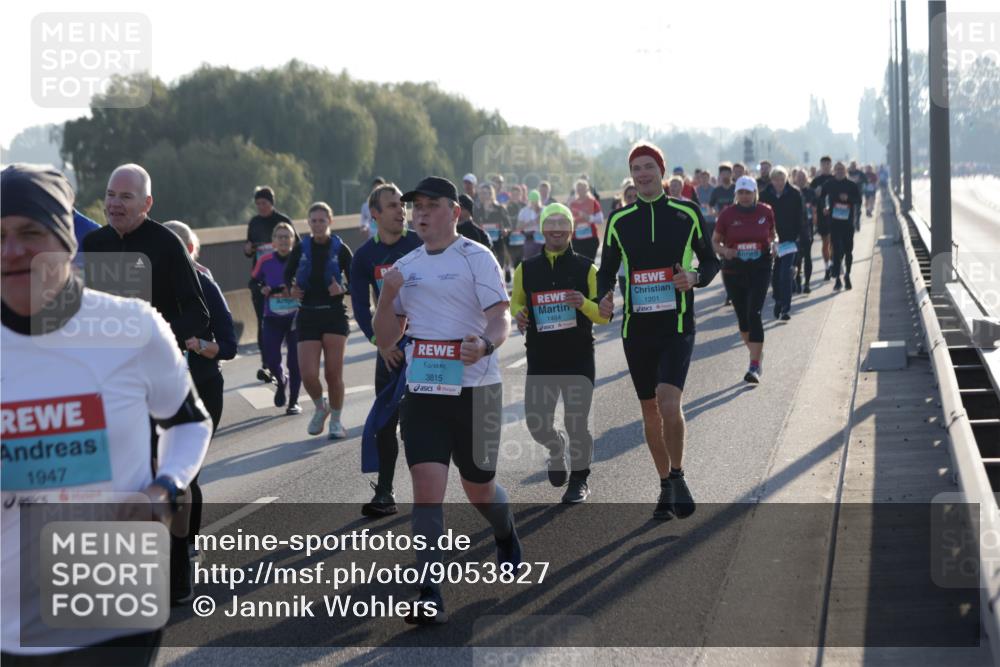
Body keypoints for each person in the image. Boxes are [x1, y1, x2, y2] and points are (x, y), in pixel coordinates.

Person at [1, 163, 211, 665]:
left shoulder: (132, 326)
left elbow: (187, 422)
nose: (12, 250)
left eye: (30, 233)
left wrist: (164, 489)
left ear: (66, 241)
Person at [374, 176, 520, 625]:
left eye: (431, 205)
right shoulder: (406, 265)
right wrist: (387, 294)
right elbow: (386, 339)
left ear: (454, 212)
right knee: (427, 492)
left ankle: (504, 529)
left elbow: (501, 319)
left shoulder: (477, 258)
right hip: (425, 392)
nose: (419, 213)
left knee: (478, 488)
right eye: (415, 206)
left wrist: (486, 345)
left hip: (476, 389)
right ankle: (429, 591)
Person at [596, 142, 720, 521]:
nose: (643, 174)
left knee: (669, 403)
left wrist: (695, 277)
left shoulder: (687, 212)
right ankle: (664, 482)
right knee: (649, 410)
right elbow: (606, 270)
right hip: (636, 328)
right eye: (637, 168)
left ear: (662, 172)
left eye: (650, 166)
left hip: (678, 324)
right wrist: (601, 297)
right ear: (631, 176)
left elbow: (711, 261)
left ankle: (679, 475)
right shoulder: (619, 220)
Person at [510, 203, 609, 503]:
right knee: (537, 423)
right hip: (541, 357)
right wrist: (520, 315)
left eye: (561, 223)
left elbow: (603, 316)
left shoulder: (587, 268)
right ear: (542, 229)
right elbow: (516, 303)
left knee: (577, 421)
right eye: (550, 223)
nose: (556, 228)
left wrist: (583, 304)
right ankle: (555, 447)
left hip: (578, 356)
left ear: (570, 229)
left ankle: (579, 480)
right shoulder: (525, 269)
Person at [163, 220, 237, 560]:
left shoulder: (206, 286)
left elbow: (229, 345)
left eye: (179, 247)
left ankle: (188, 545)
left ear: (190, 251)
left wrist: (200, 344)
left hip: (203, 387)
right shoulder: (146, 291)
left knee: (186, 470)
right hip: (159, 391)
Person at [350, 183, 422, 518]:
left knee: (425, 422)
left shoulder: (419, 244)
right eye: (392, 206)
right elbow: (362, 308)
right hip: (390, 348)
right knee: (385, 421)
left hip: (426, 344)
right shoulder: (364, 256)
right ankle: (385, 491)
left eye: (402, 205)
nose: (401, 211)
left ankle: (431, 492)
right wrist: (381, 344)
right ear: (375, 214)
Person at [284, 202, 354, 438]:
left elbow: (355, 281)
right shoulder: (301, 248)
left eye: (322, 220)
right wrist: (290, 290)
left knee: (333, 374)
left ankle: (335, 421)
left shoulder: (341, 249)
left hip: (334, 315)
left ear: (330, 222)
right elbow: (287, 275)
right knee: (308, 374)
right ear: (308, 223)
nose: (317, 225)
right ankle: (320, 406)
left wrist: (342, 289)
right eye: (313, 220)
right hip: (307, 314)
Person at [713, 176, 776, 383]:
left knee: (754, 312)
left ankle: (754, 365)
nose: (745, 196)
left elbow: (773, 235)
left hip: (760, 268)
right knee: (743, 318)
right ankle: (756, 353)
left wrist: (775, 244)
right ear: (736, 195)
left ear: (755, 193)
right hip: (734, 271)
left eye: (748, 192)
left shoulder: (765, 211)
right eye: (741, 192)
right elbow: (715, 242)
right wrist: (725, 251)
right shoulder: (727, 214)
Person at [242, 186, 296, 384]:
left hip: (283, 280)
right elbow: (248, 248)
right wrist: (248, 249)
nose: (261, 207)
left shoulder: (282, 222)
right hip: (261, 280)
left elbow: (296, 247)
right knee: (263, 321)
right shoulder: (254, 223)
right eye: (257, 204)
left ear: (272, 203)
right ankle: (267, 365)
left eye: (264, 203)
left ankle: (291, 364)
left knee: (288, 323)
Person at [251, 222, 303, 415]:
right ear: (273, 242)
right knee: (272, 359)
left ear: (293, 240)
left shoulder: (300, 261)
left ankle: (294, 401)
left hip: (296, 317)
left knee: (295, 362)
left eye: (286, 236)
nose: (283, 240)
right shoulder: (265, 261)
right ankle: (281, 382)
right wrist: (262, 288)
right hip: (272, 316)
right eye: (279, 237)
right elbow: (253, 282)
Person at [760, 167, 803, 320]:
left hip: (789, 240)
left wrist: (801, 237)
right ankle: (778, 300)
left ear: (786, 179)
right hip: (772, 240)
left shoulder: (795, 194)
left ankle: (785, 307)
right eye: (776, 180)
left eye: (782, 179)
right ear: (771, 180)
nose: (779, 183)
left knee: (785, 273)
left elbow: (801, 217)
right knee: (775, 275)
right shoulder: (764, 195)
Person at [823, 161, 862, 291]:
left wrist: (848, 198)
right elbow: (822, 199)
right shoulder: (829, 185)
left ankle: (847, 275)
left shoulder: (851, 185)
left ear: (845, 171)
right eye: (837, 169)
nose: (839, 171)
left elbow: (858, 200)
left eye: (842, 169)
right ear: (834, 171)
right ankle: (838, 280)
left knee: (848, 251)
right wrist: (825, 208)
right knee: (837, 251)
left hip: (847, 224)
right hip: (834, 223)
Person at [477, 182, 512, 281]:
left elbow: (509, 225)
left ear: (492, 194)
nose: (485, 195)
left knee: (498, 269)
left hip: (498, 243)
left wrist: (506, 230)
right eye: (483, 193)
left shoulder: (500, 209)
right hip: (483, 244)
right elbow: (474, 224)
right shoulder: (478, 210)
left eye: (487, 193)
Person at [809, 156, 835, 280]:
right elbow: (810, 200)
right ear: (820, 165)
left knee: (834, 243)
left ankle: (834, 262)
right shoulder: (815, 181)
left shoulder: (835, 179)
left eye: (827, 164)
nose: (825, 166)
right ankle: (827, 267)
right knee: (825, 243)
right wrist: (815, 194)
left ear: (831, 165)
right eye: (823, 164)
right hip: (821, 215)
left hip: (835, 216)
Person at [793, 168, 817, 294]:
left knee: (807, 256)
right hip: (794, 230)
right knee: (797, 258)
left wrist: (814, 222)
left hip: (807, 228)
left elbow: (814, 209)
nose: (801, 180)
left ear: (807, 179)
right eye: (799, 177)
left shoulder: (810, 192)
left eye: (803, 178)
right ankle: (797, 280)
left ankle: (807, 283)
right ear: (795, 179)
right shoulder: (792, 192)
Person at [569, 178, 603, 262]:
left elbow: (600, 219)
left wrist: (588, 217)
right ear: (576, 191)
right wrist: (573, 222)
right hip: (577, 240)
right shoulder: (573, 204)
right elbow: (569, 222)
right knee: (579, 264)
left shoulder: (592, 202)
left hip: (591, 239)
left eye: (582, 189)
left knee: (590, 264)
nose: (580, 191)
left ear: (587, 189)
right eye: (578, 189)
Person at [518, 189, 543, 260]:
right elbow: (519, 227)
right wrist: (533, 222)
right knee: (529, 261)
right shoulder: (524, 211)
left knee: (542, 262)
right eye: (532, 201)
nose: (534, 203)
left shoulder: (544, 210)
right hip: (529, 238)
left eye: (536, 201)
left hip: (542, 239)